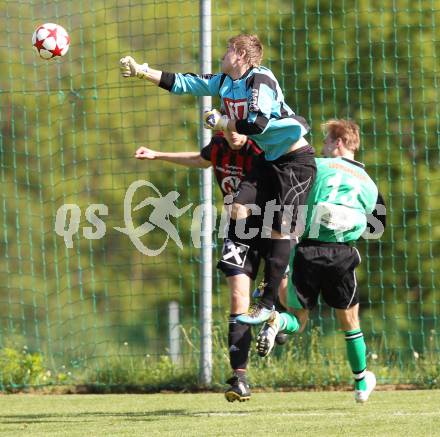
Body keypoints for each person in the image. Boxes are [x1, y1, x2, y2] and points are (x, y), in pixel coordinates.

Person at [120, 34, 316, 325]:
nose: (222, 55)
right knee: (237, 207)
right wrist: (142, 72)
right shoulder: (225, 82)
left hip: (295, 162)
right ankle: (270, 252)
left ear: (240, 55)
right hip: (270, 159)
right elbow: (185, 83)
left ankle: (268, 299)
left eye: (227, 50)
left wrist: (222, 121)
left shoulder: (259, 80)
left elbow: (258, 123)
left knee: (280, 231)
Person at [134, 129, 286, 402]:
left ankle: (278, 318)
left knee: (284, 290)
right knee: (238, 297)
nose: (234, 134)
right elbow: (200, 159)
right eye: (229, 130)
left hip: (272, 227)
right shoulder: (219, 147)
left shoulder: (262, 146)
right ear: (221, 129)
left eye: (239, 128)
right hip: (239, 231)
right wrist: (158, 154)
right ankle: (239, 377)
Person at [256, 119, 384, 403]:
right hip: (340, 254)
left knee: (298, 319)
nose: (324, 146)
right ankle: (362, 384)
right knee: (350, 322)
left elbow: (293, 201)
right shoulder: (370, 185)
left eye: (326, 140)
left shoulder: (316, 167)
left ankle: (277, 321)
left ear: (338, 142)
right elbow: (377, 227)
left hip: (307, 251)